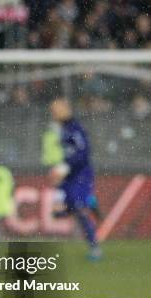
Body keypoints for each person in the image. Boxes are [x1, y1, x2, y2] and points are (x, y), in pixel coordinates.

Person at [48, 98, 102, 260]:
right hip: (70, 175)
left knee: (79, 209)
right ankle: (90, 202)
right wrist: (61, 169)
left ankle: (95, 248)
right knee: (59, 212)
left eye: (55, 111)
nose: (53, 115)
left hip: (80, 175)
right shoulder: (63, 129)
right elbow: (71, 153)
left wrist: (66, 167)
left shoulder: (75, 129)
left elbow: (83, 153)